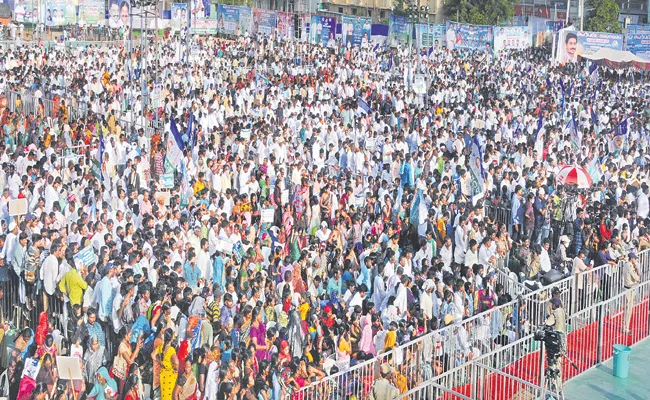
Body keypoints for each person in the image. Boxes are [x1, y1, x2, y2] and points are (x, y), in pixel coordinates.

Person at [623, 252, 641, 335]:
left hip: (628, 289)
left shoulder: (626, 264)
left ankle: (625, 327)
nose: (635, 260)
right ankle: (625, 328)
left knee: (627, 309)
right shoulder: (630, 266)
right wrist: (636, 269)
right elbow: (637, 278)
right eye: (634, 258)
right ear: (631, 258)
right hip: (629, 289)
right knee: (628, 310)